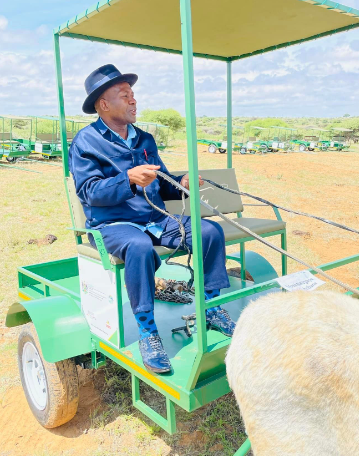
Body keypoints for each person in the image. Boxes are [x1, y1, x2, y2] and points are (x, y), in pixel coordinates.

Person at [69, 64, 236, 374]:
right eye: (125, 96)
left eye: (133, 95)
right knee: (139, 247)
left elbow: (158, 181)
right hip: (112, 226)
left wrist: (180, 181)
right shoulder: (85, 142)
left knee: (209, 231)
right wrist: (128, 179)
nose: (134, 101)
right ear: (103, 104)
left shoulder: (144, 139)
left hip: (154, 218)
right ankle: (147, 330)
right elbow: (89, 192)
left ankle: (210, 306)